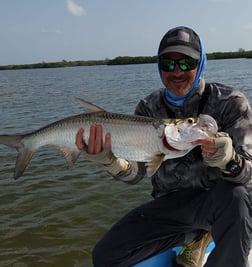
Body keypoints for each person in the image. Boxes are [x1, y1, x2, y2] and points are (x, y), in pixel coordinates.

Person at [75, 26, 252, 267]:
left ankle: (204, 237)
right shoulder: (148, 107)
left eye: (186, 62)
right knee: (106, 255)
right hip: (170, 205)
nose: (176, 72)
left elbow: (249, 175)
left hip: (217, 203)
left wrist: (229, 160)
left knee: (238, 196)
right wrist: (110, 161)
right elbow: (136, 173)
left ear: (201, 63)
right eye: (168, 64)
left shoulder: (230, 103)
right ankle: (194, 237)